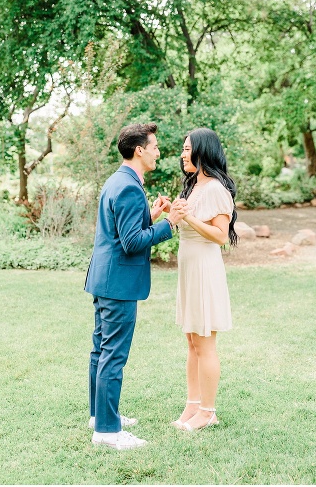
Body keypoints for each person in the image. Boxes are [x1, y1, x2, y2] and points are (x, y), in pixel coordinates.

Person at [85, 122, 189, 450]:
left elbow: (120, 228)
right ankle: (107, 432)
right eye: (155, 146)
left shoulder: (119, 180)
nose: (159, 152)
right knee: (112, 355)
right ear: (139, 150)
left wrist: (149, 213)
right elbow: (131, 242)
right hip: (118, 285)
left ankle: (99, 415)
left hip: (104, 279)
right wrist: (168, 222)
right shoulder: (129, 187)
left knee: (101, 350)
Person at [169, 128, 238, 432]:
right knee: (191, 341)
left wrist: (188, 218)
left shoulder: (215, 189)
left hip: (205, 271)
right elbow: (184, 222)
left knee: (205, 343)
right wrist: (170, 212)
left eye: (187, 149)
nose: (183, 154)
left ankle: (209, 411)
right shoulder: (193, 187)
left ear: (202, 150)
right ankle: (193, 405)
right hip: (188, 269)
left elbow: (221, 237)